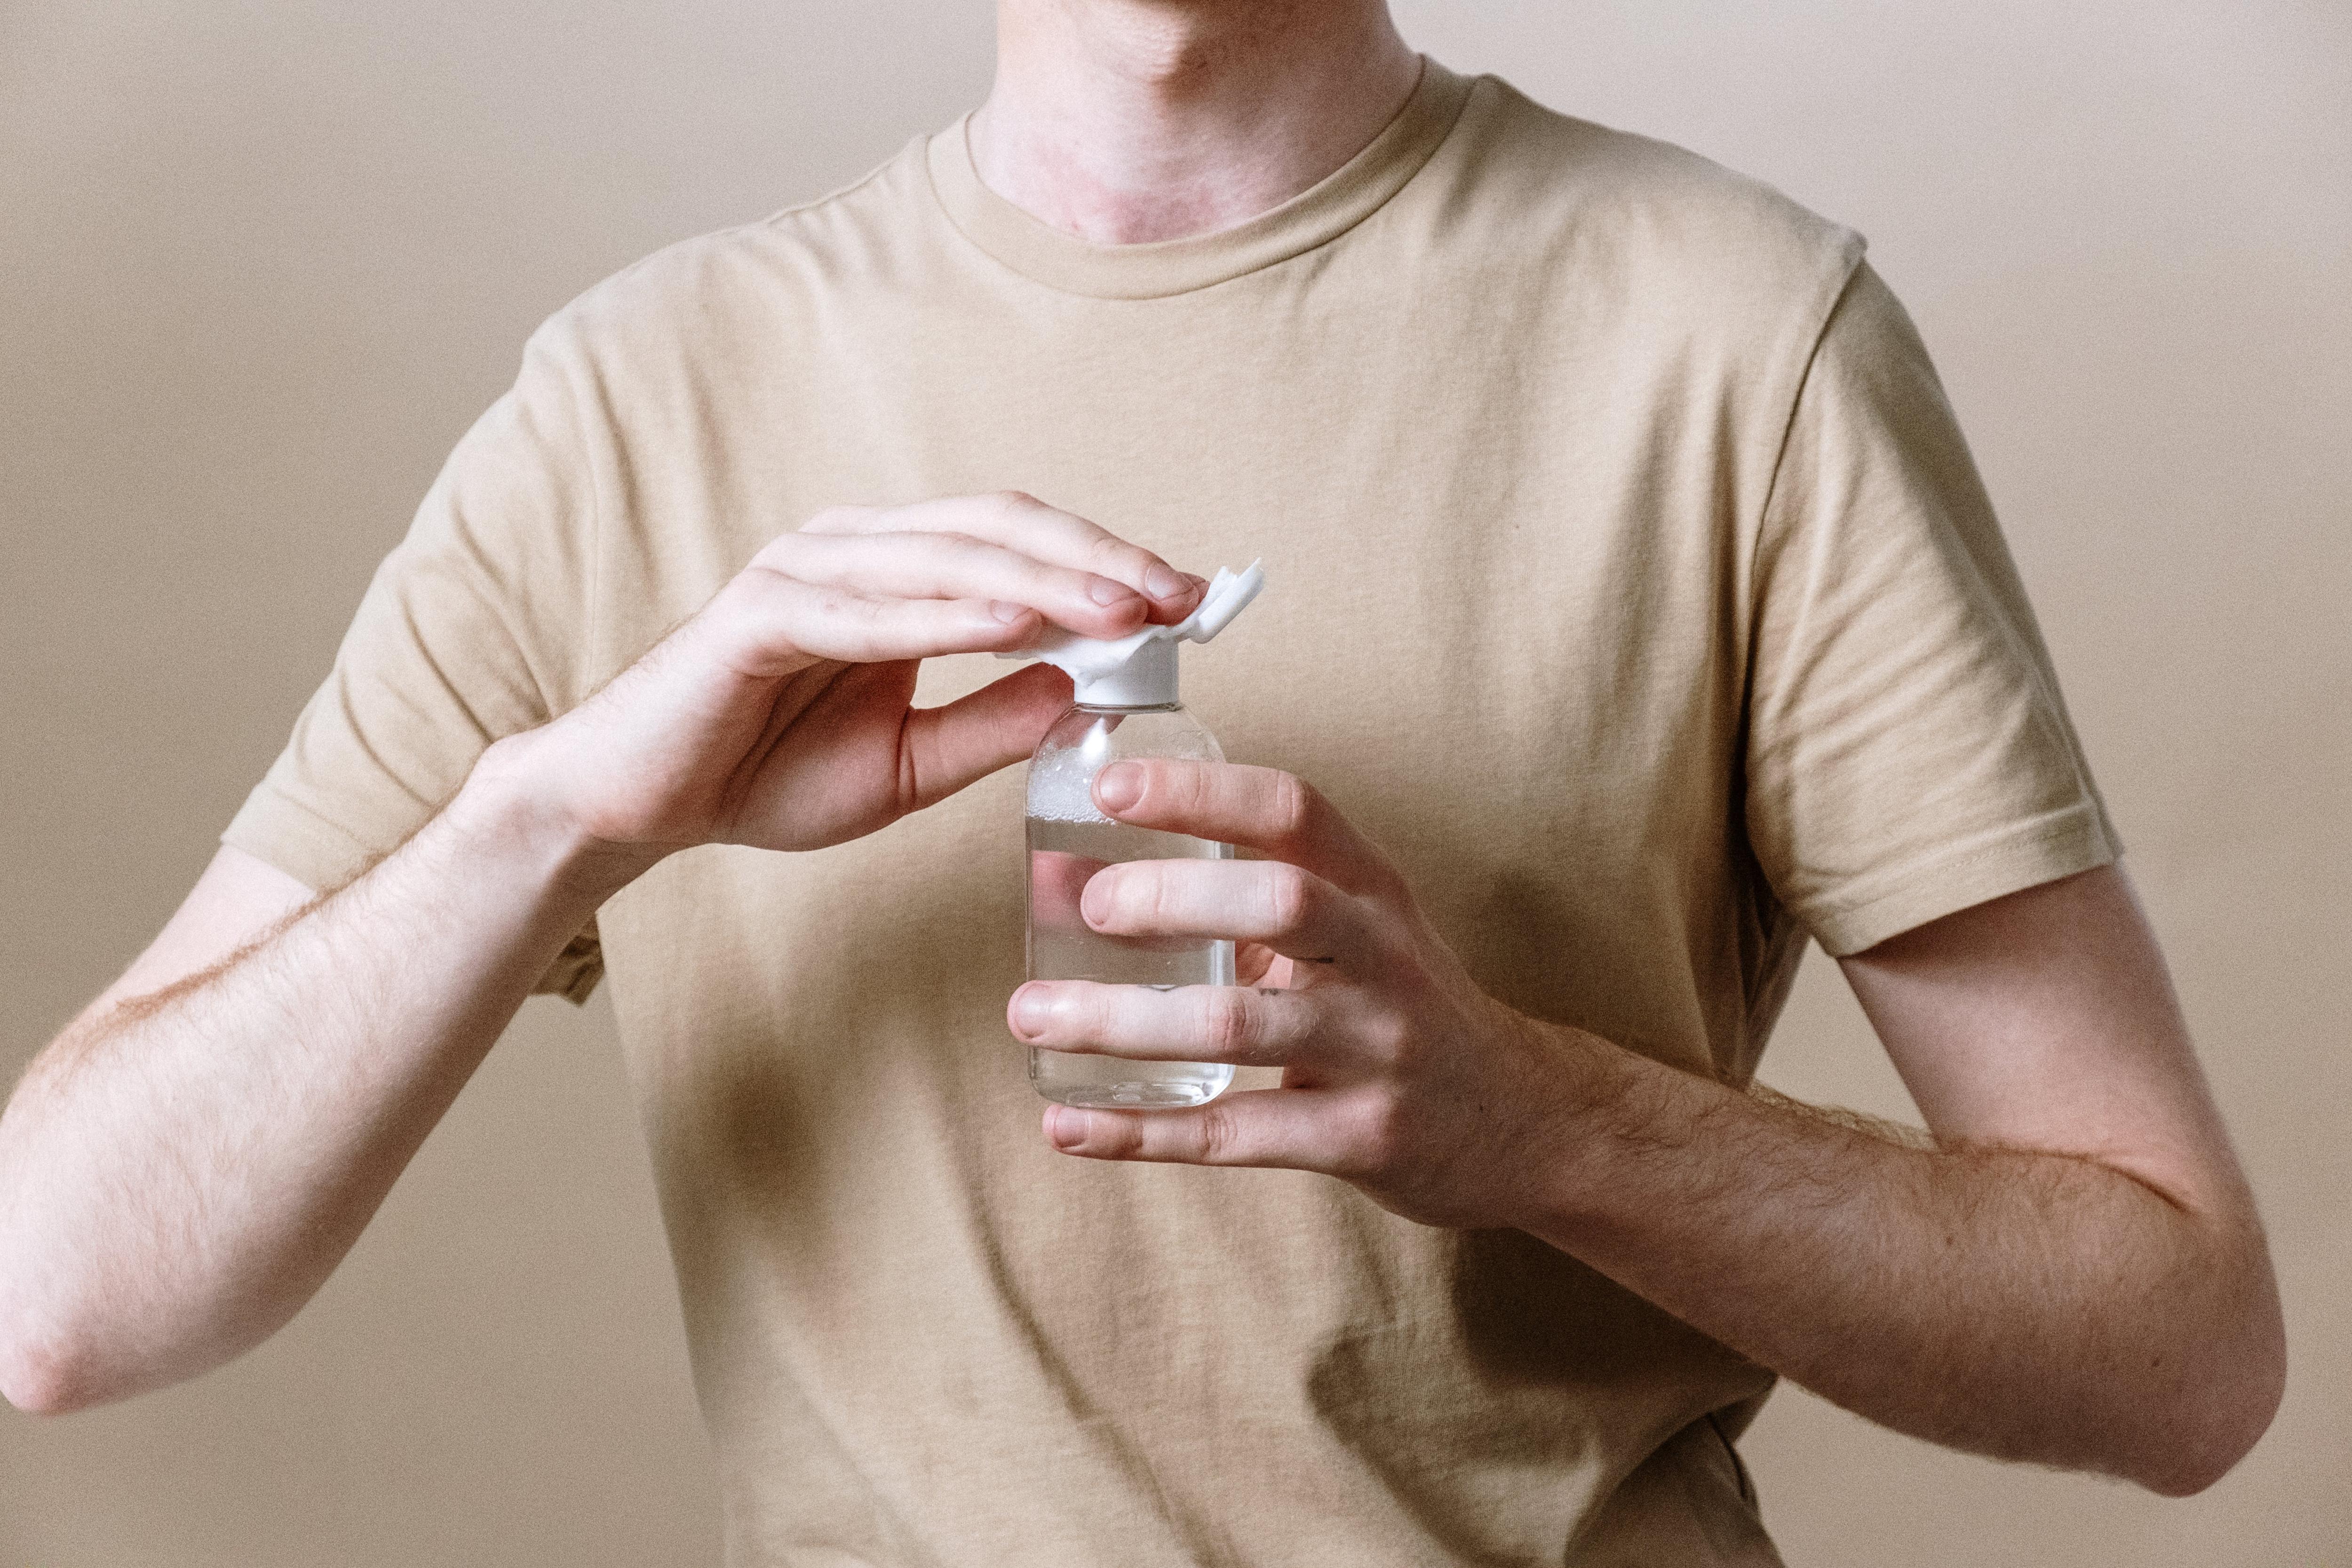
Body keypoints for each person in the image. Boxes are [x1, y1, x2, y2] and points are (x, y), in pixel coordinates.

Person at [0, 0, 2284, 1562]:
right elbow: (55, 1293)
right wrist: (558, 815)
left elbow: (2175, 1349)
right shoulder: (633, 403)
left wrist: (1526, 1114)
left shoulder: (1740, 346)